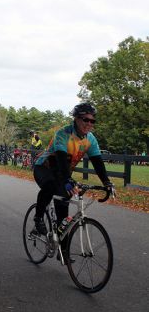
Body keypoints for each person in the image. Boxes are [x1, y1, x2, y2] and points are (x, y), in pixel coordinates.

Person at [33, 103, 114, 241]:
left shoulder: (90, 139)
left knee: (63, 213)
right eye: (85, 119)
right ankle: (38, 217)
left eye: (92, 120)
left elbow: (98, 163)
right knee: (51, 186)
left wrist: (106, 182)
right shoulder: (63, 133)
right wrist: (67, 180)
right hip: (45, 168)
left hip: (63, 172)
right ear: (76, 119)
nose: (89, 123)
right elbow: (61, 159)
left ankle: (62, 248)